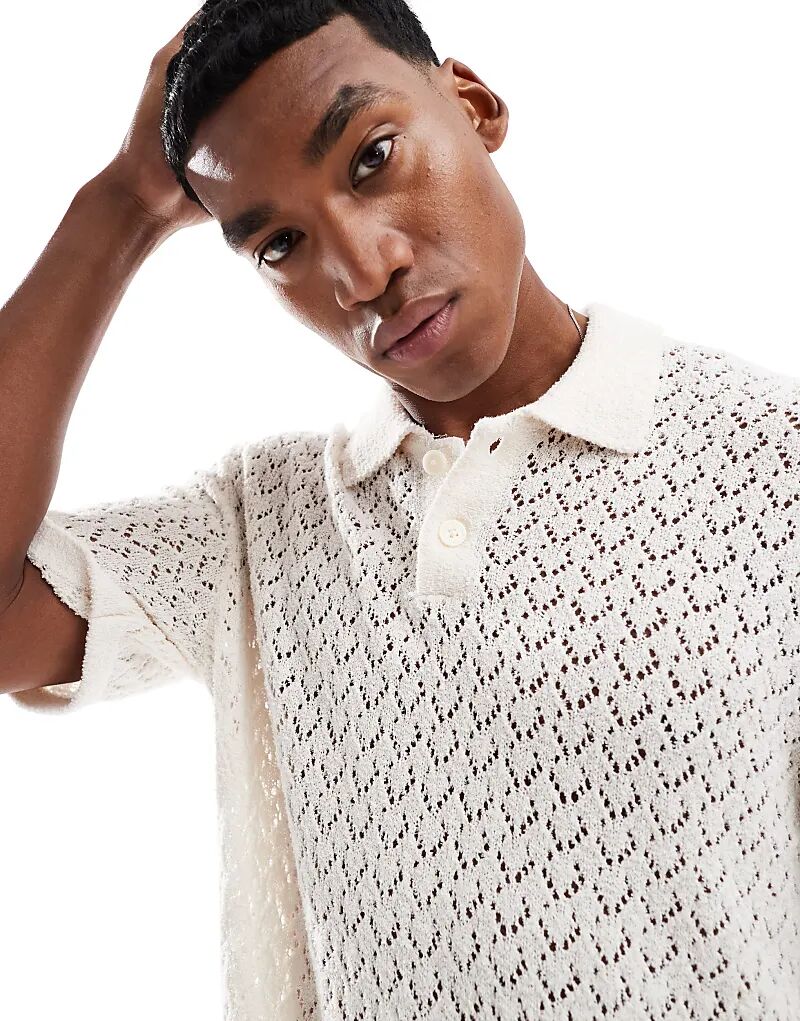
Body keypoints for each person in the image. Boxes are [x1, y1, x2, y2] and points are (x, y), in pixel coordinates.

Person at [1, 2, 798, 1019]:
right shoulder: (258, 529)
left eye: (372, 157)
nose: (363, 271)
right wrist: (118, 206)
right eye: (281, 243)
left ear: (473, 104)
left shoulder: (772, 462)